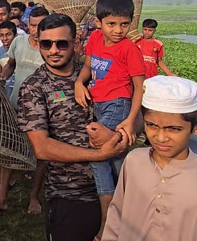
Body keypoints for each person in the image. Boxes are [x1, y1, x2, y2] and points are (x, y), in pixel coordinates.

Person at [102, 76, 197, 241]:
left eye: (173, 129)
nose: (161, 137)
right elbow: (116, 216)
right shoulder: (134, 161)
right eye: (152, 125)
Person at [18, 13, 129, 241]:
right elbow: (42, 147)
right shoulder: (34, 86)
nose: (54, 50)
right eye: (47, 44)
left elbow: (129, 106)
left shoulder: (95, 75)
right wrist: (99, 154)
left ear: (75, 42)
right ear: (38, 43)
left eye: (62, 43)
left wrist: (124, 132)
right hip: (70, 194)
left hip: (119, 189)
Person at [74, 0, 145, 238]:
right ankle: (132, 210)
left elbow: (139, 87)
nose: (118, 30)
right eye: (111, 24)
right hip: (100, 105)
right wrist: (78, 84)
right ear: (98, 22)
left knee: (97, 151)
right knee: (115, 160)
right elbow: (87, 67)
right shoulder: (94, 39)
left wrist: (131, 120)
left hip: (119, 105)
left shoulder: (129, 50)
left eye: (124, 24)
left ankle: (107, 223)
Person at [0, 6, 50, 214]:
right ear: (27, 25)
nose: (36, 30)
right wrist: (2, 77)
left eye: (41, 26)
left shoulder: (51, 48)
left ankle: (33, 198)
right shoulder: (19, 42)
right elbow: (11, 64)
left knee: (40, 155)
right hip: (15, 105)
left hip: (40, 111)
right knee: (10, 150)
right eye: (32, 25)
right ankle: (2, 197)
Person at [0, 21, 17, 97]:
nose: (5, 38)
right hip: (6, 93)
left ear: (15, 35)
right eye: (2, 35)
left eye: (8, 35)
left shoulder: (21, 50)